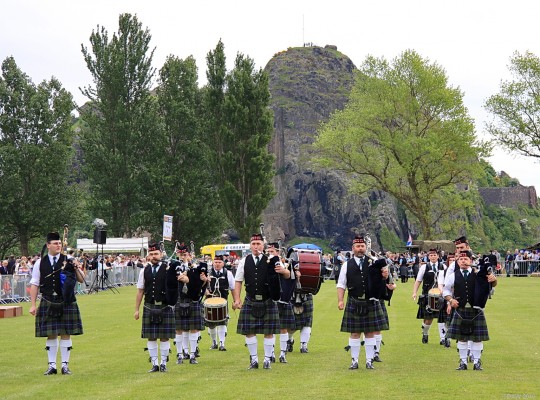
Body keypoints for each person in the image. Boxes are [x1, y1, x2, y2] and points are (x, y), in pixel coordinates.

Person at [29, 232, 86, 375]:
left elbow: (81, 279)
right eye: (55, 243)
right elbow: (35, 284)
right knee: (51, 334)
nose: (58, 245)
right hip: (48, 300)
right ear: (48, 245)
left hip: (66, 300)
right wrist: (33, 304)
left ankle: (65, 366)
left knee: (66, 333)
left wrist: (76, 267)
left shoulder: (68, 259)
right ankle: (52, 366)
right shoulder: (40, 263)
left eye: (60, 243)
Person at [233, 233, 290, 370]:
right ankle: (253, 360)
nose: (256, 246)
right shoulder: (244, 261)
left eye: (258, 244)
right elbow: (238, 281)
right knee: (249, 331)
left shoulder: (272, 259)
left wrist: (283, 270)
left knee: (268, 332)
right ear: (250, 246)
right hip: (250, 299)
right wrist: (237, 299)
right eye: (253, 244)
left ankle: (267, 359)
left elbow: (287, 275)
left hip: (268, 300)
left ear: (263, 245)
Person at [337, 235, 388, 370]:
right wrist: (340, 300)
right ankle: (354, 361)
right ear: (353, 249)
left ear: (366, 248)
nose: (360, 249)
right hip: (354, 300)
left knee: (370, 332)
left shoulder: (374, 262)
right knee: (354, 333)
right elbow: (341, 284)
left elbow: (384, 279)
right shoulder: (347, 265)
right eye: (358, 247)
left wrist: (385, 275)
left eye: (362, 246)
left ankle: (369, 360)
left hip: (370, 301)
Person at [443, 251, 498, 370]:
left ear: (470, 261)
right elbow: (445, 290)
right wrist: (451, 300)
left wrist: (494, 279)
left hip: (476, 310)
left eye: (466, 259)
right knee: (462, 337)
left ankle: (477, 362)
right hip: (461, 309)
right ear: (458, 261)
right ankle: (463, 363)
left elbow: (492, 285)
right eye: (461, 259)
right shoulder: (453, 275)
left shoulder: (478, 275)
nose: (463, 261)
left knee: (477, 338)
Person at [134, 241, 177, 372]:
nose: (154, 256)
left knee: (164, 336)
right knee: (151, 336)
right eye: (151, 254)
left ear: (161, 254)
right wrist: (136, 309)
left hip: (164, 306)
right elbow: (140, 290)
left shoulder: (169, 268)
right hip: (149, 306)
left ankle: (163, 363)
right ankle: (154, 364)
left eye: (156, 254)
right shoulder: (144, 270)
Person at [171, 244, 209, 365]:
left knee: (194, 328)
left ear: (190, 255)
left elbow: (199, 287)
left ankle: (192, 355)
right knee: (178, 329)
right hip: (179, 300)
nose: (183, 256)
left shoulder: (196, 268)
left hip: (192, 300)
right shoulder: (173, 267)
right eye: (181, 254)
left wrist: (203, 281)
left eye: (185, 254)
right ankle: (180, 355)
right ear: (177, 254)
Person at [266, 243, 295, 363]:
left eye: (272, 251)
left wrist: (283, 270)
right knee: (270, 330)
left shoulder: (284, 263)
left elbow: (290, 276)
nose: (270, 254)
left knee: (283, 329)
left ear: (277, 252)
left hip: (283, 300)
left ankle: (283, 354)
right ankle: (271, 354)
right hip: (269, 300)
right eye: (268, 251)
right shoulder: (264, 263)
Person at [412, 249, 444, 345]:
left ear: (438, 256)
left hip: (440, 295)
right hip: (427, 295)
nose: (433, 257)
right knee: (428, 319)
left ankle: (443, 338)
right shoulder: (424, 267)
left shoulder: (443, 266)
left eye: (435, 255)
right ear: (428, 257)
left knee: (441, 317)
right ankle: (425, 333)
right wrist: (414, 292)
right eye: (431, 255)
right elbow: (418, 281)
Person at [205, 254, 236, 351]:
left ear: (223, 263)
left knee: (223, 322)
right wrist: (205, 290)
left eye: (219, 262)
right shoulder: (207, 273)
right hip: (209, 302)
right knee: (211, 323)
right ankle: (214, 342)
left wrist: (235, 301)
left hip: (223, 301)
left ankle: (222, 343)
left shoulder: (228, 273)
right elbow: (201, 286)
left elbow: (233, 288)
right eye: (215, 262)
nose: (217, 264)